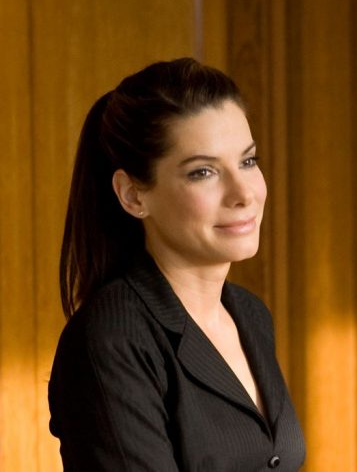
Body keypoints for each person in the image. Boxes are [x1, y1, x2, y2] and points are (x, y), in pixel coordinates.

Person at [49, 58, 305, 470]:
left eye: (248, 161)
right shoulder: (113, 337)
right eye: (203, 172)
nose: (244, 194)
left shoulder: (250, 314)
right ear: (133, 195)